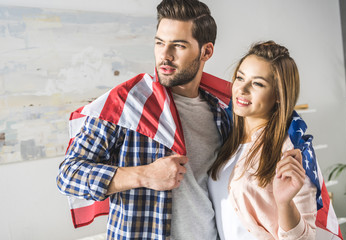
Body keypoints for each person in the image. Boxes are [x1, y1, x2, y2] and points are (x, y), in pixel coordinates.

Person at [57, 0, 231, 239]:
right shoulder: (126, 104)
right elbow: (68, 175)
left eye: (178, 45)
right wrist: (145, 175)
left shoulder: (221, 113)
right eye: (159, 43)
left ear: (206, 51)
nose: (165, 55)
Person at [208, 41, 317, 240]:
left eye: (257, 83)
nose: (242, 89)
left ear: (278, 94)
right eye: (240, 78)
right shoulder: (227, 140)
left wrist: (285, 204)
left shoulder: (290, 149)